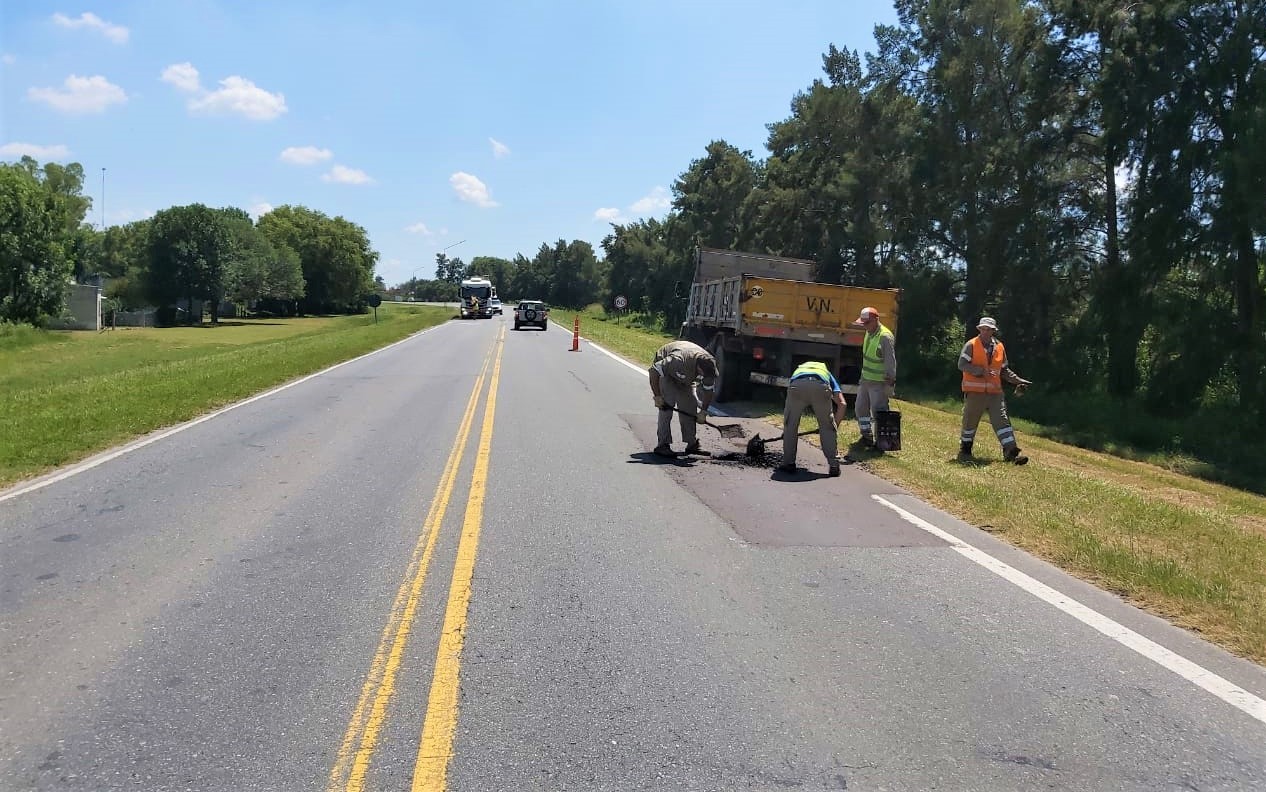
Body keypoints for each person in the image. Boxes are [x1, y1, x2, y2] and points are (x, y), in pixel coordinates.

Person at [957, 316, 1033, 465]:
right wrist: (979, 371)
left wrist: (1017, 380)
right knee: (970, 422)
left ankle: (1011, 452)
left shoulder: (999, 347)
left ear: (993, 331)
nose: (986, 332)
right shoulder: (971, 345)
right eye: (983, 329)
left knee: (1002, 421)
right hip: (975, 392)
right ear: (979, 329)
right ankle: (965, 449)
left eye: (989, 329)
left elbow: (1004, 370)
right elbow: (962, 364)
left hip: (995, 393)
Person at [648, 340, 718, 457]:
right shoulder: (677, 360)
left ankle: (692, 444)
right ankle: (662, 445)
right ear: (699, 368)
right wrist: (657, 396)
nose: (705, 378)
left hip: (686, 377)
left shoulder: (710, 367)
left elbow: (709, 390)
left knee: (689, 407)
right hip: (667, 374)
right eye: (703, 375)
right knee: (667, 407)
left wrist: (704, 411)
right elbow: (654, 371)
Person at [778, 360, 846, 477]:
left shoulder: (798, 371)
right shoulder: (826, 373)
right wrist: (833, 426)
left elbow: (791, 388)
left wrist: (786, 430)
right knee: (826, 427)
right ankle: (834, 465)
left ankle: (789, 463)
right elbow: (842, 404)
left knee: (791, 425)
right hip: (820, 386)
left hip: (797, 386)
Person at [853, 306, 896, 449]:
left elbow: (890, 361)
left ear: (876, 320)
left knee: (879, 412)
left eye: (867, 323)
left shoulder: (885, 336)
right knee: (860, 408)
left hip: (879, 383)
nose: (865, 326)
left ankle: (882, 442)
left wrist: (890, 381)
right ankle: (866, 436)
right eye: (863, 324)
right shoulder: (869, 333)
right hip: (866, 380)